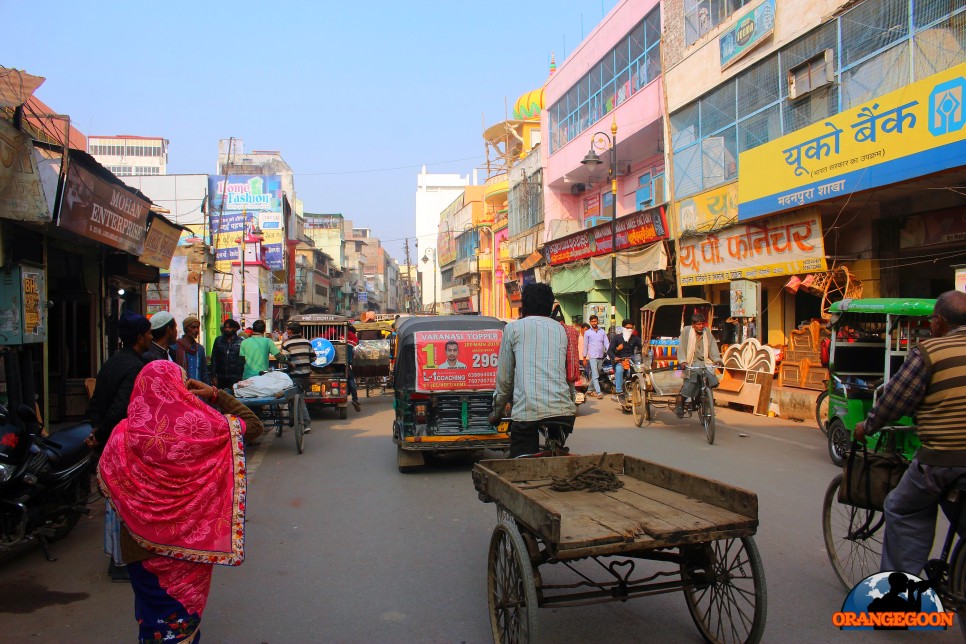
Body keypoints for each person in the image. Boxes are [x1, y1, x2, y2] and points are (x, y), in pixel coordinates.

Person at [98, 360, 263, 643]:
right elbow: (254, 425)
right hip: (190, 548)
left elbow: (108, 484)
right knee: (182, 621)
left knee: (153, 620)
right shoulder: (205, 429)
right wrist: (214, 394)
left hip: (140, 547)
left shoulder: (122, 434)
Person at [855, 290, 966, 576]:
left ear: (939, 321)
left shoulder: (930, 352)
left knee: (903, 509)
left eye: (932, 320)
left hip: (942, 459)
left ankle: (901, 596)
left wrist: (867, 426)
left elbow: (893, 403)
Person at [86, 310, 152, 583]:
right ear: (139, 337)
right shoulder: (135, 366)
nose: (151, 337)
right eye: (148, 333)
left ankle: (119, 557)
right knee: (125, 503)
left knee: (116, 501)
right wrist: (101, 433)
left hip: (110, 439)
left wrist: (97, 431)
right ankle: (121, 560)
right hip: (120, 442)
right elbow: (120, 408)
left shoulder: (114, 361)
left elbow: (98, 402)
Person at [488, 283, 576, 457]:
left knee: (521, 464)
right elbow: (568, 374)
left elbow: (505, 380)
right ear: (550, 305)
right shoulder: (561, 329)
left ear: (524, 305)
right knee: (556, 453)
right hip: (564, 411)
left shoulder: (513, 328)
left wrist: (497, 412)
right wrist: (571, 401)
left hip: (527, 412)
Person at [675, 312, 721, 418]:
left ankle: (705, 397)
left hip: (704, 361)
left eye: (702, 324)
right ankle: (680, 402)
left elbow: (713, 346)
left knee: (711, 377)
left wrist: (717, 359)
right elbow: (681, 347)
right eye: (698, 324)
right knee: (691, 382)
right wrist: (682, 361)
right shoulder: (686, 331)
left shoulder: (707, 332)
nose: (701, 326)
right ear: (693, 325)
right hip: (690, 361)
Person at [281, 320, 314, 434]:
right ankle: (293, 419)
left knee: (298, 399)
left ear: (289, 331)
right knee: (297, 397)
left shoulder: (286, 344)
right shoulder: (307, 342)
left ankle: (306, 422)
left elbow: (285, 360)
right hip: (306, 375)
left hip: (294, 375)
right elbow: (313, 358)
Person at [608, 318, 643, 402]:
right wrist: (615, 357)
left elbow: (642, 347)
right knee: (619, 370)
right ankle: (619, 392)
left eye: (631, 328)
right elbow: (610, 351)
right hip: (619, 361)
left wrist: (644, 350)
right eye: (627, 328)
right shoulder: (617, 338)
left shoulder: (635, 338)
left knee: (639, 372)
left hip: (631, 361)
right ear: (623, 328)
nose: (629, 329)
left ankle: (639, 390)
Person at [210, 318, 245, 392]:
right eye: (225, 327)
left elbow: (242, 361)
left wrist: (240, 377)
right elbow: (214, 358)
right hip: (221, 377)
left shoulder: (241, 342)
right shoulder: (218, 341)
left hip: (235, 378)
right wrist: (213, 376)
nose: (227, 329)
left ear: (234, 329)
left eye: (229, 327)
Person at [173, 315, 209, 384]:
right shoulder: (176, 346)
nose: (196, 330)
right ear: (186, 329)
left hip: (198, 390)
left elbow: (204, 371)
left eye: (197, 327)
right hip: (181, 387)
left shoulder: (200, 349)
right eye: (193, 327)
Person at [583, 315, 608, 399]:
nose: (594, 323)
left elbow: (606, 343)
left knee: (598, 372)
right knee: (595, 374)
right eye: (592, 321)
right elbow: (585, 345)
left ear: (597, 321)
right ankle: (598, 392)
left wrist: (610, 352)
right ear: (590, 322)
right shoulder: (587, 333)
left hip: (601, 356)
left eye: (595, 321)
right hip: (592, 356)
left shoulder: (602, 332)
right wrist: (584, 357)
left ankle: (589, 389)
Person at [346, 324, 362, 411]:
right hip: (346, 364)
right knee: (351, 380)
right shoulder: (354, 340)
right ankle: (355, 399)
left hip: (332, 363)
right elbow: (355, 353)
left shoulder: (337, 335)